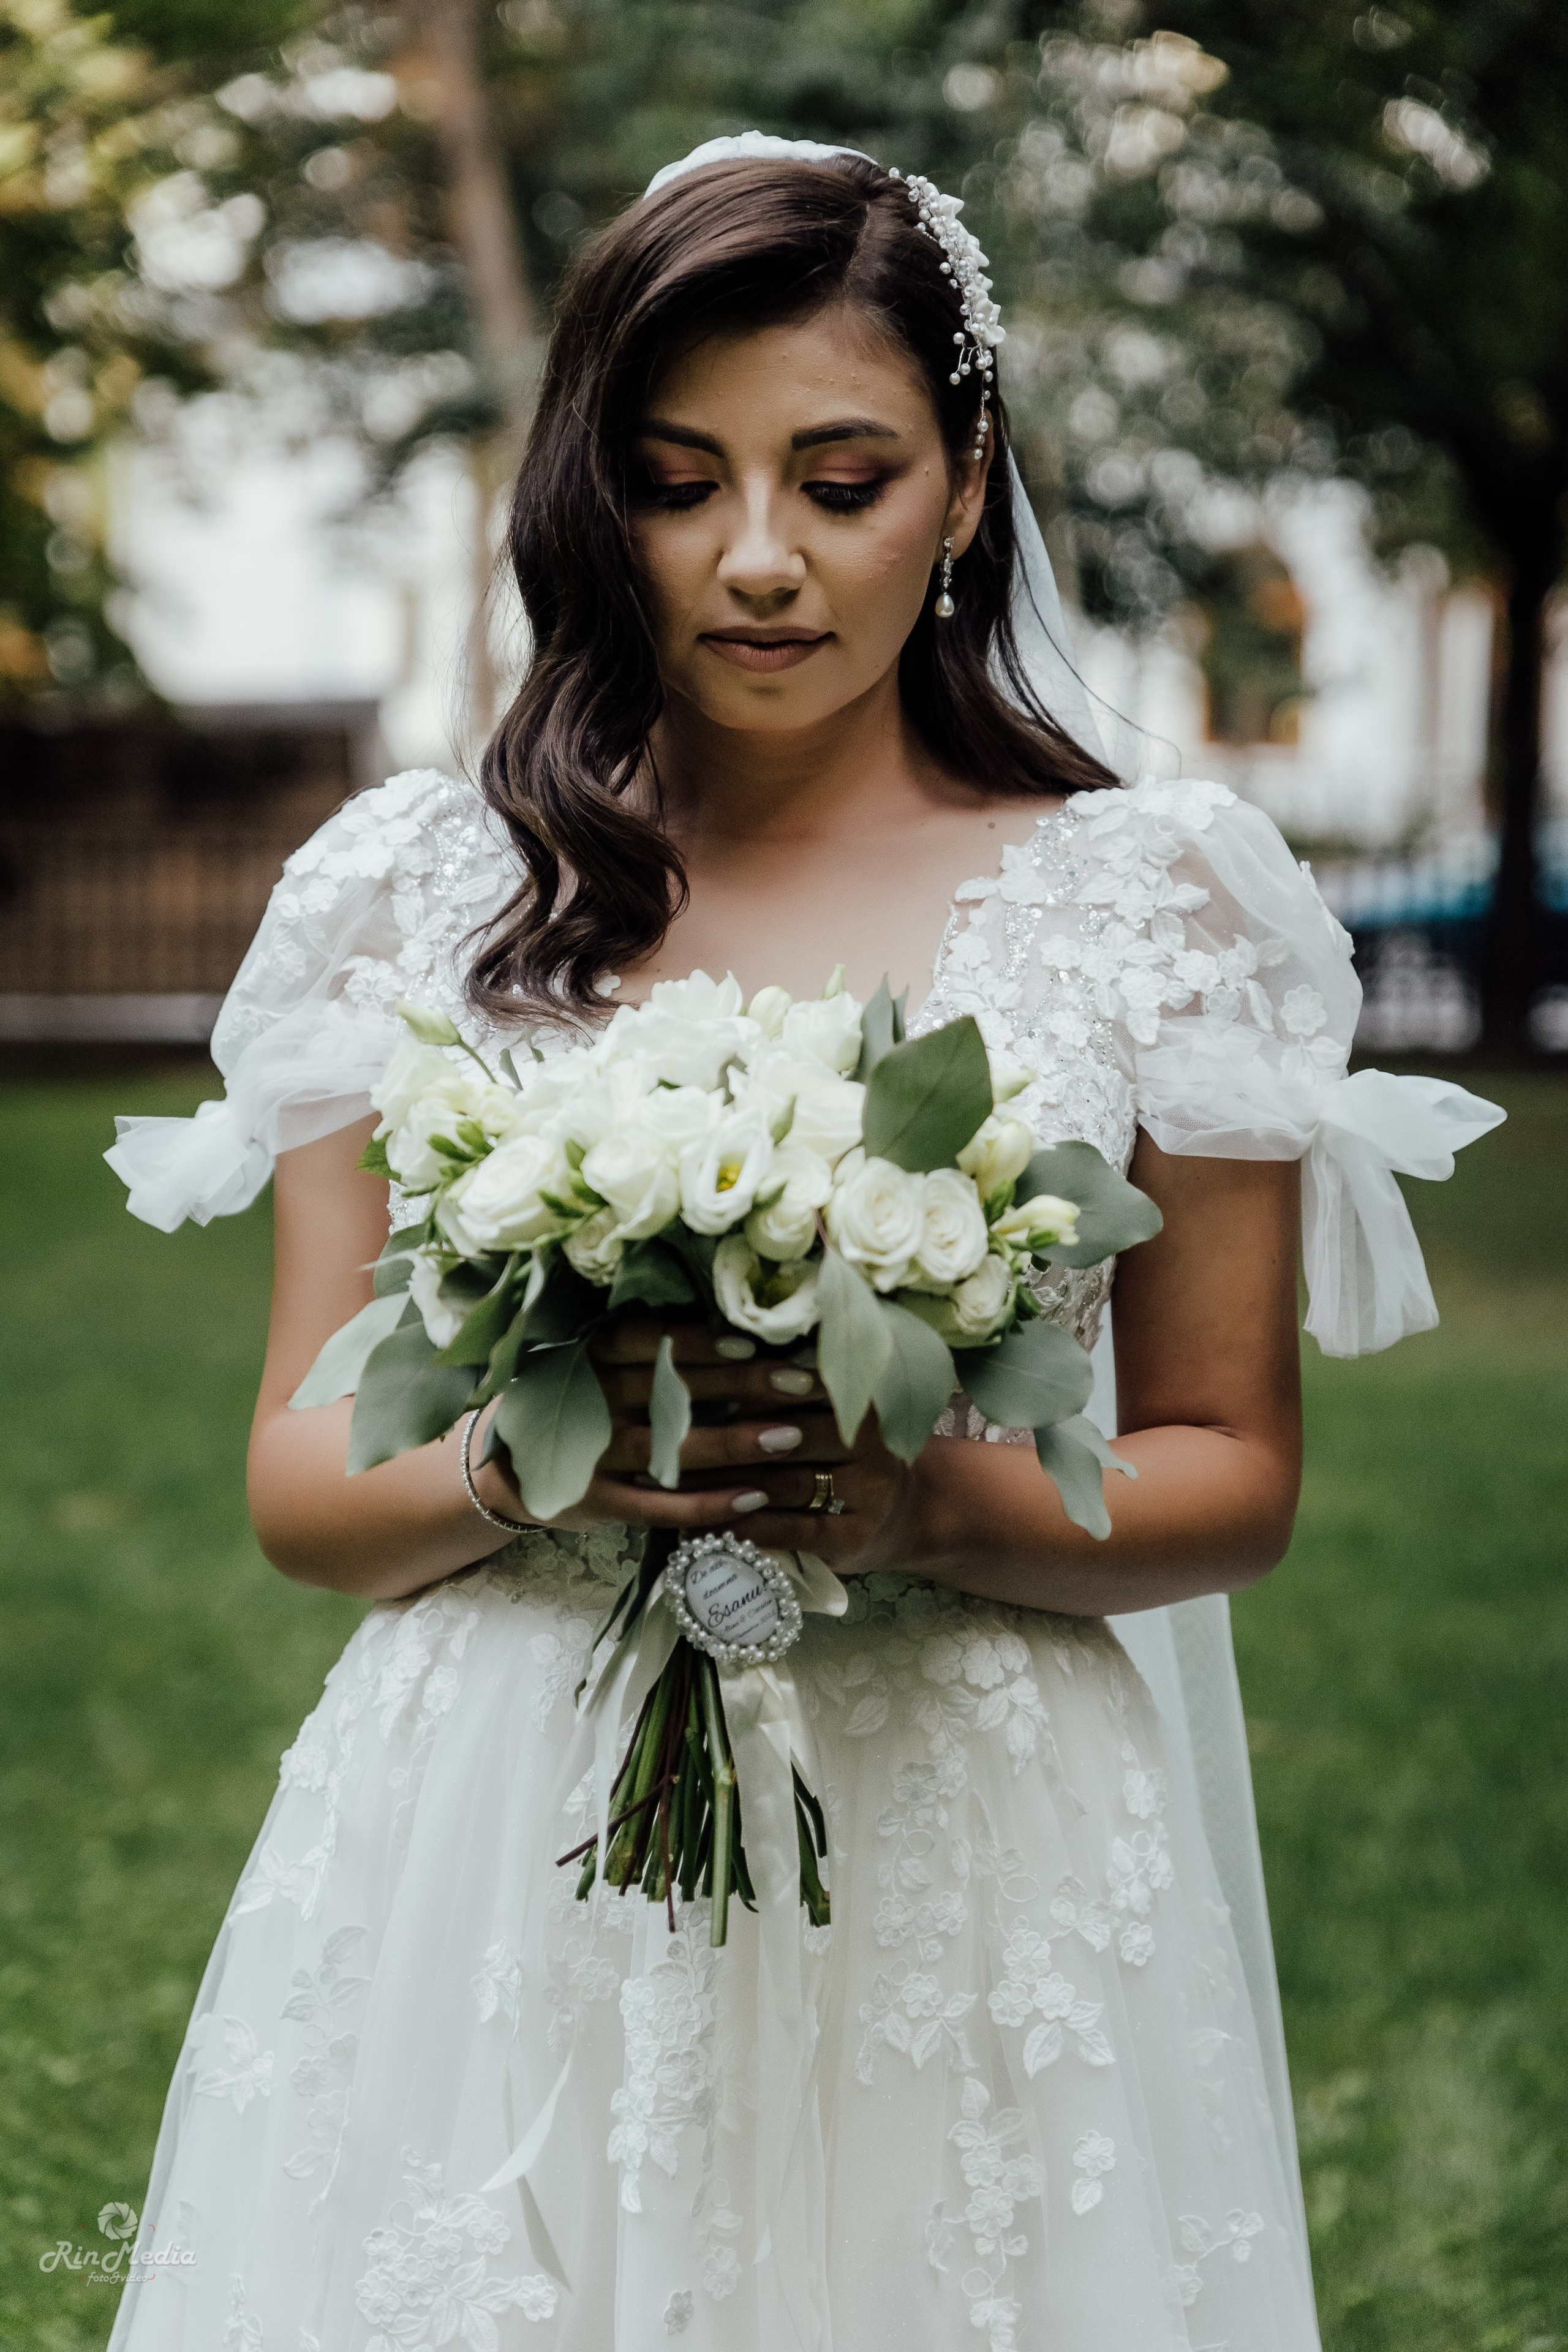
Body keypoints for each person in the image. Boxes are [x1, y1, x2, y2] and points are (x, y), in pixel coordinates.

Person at [104, 138, 1501, 2352]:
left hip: (970, 1818)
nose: (756, 559)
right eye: (679, 483)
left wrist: (933, 1499)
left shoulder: (1158, 902)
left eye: (840, 480)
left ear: (962, 494)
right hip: (506, 1809)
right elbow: (298, 1483)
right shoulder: (420, 896)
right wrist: (527, 1460)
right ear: (598, 496)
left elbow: (1233, 1463)